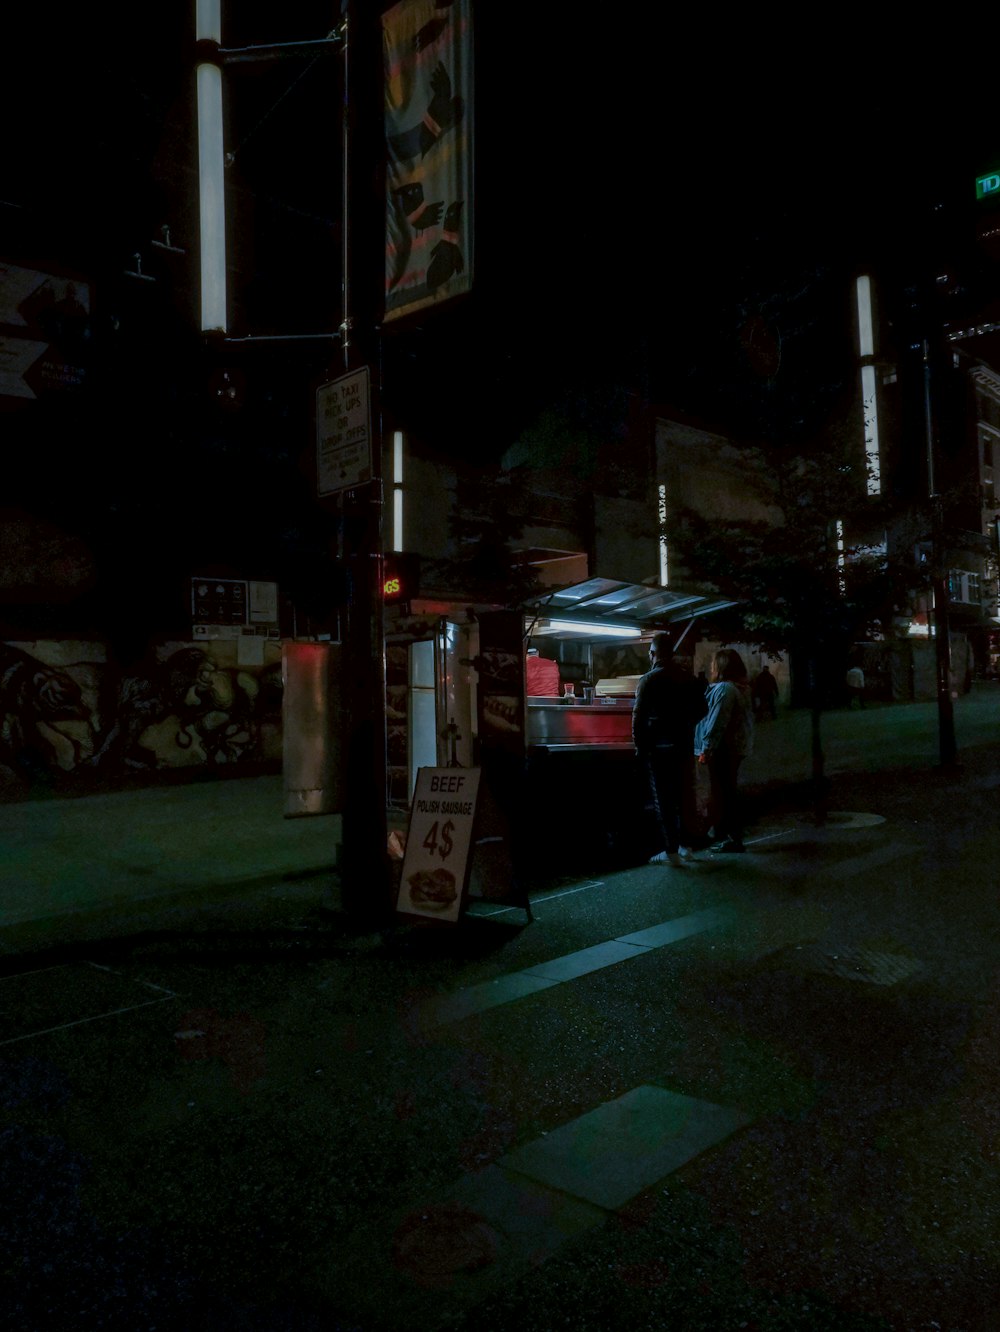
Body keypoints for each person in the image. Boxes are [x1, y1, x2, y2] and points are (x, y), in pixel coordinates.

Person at [632, 632, 707, 867]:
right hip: (683, 745)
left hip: (658, 749)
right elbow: (702, 708)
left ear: (653, 654)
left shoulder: (648, 680)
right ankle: (687, 846)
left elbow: (638, 717)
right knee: (685, 796)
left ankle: (670, 851)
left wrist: (640, 746)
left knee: (664, 800)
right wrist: (686, 723)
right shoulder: (688, 678)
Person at [695, 648, 754, 853]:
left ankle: (729, 836)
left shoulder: (724, 690)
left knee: (722, 793)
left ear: (720, 666)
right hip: (733, 748)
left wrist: (706, 748)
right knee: (726, 792)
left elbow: (717, 722)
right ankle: (728, 834)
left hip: (723, 749)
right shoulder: (739, 687)